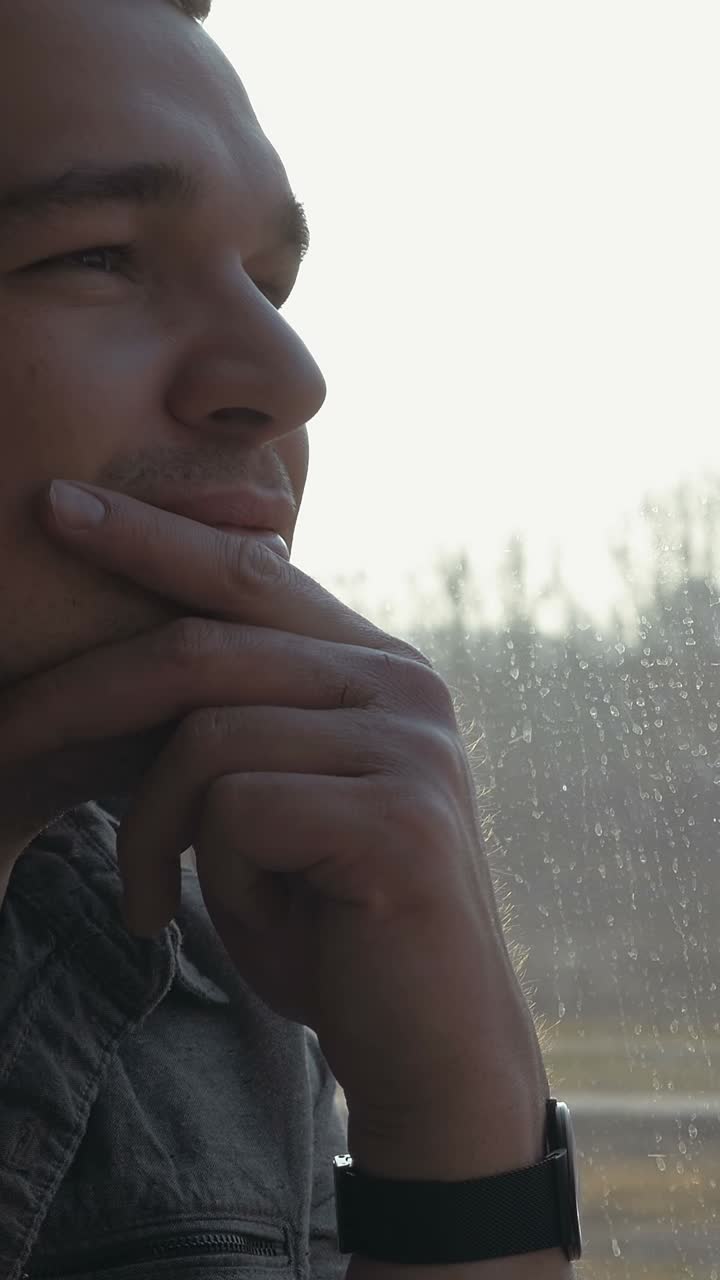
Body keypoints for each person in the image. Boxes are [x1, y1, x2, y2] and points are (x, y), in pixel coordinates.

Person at [0, 2, 576, 1276]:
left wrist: (456, 1122)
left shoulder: (231, 958)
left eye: (270, 281)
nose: (290, 371)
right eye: (95, 255)